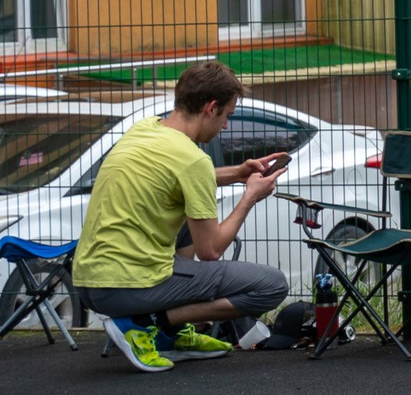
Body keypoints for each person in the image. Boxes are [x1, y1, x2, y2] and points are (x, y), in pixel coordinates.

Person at [72, 59, 290, 373]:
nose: (226, 126)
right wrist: (250, 197)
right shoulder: (193, 160)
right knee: (271, 285)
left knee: (186, 223)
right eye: (227, 115)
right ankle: (149, 324)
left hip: (89, 282)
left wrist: (238, 173)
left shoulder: (145, 129)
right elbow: (210, 251)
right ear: (211, 108)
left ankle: (170, 336)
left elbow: (175, 176)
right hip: (126, 287)